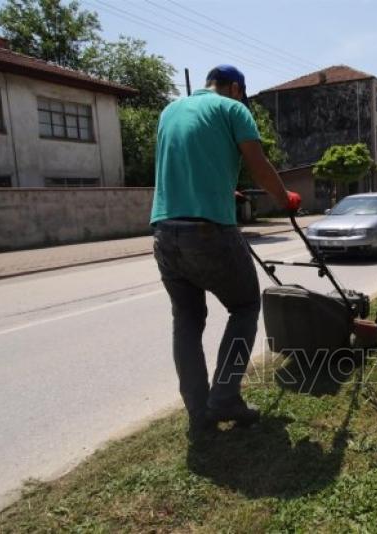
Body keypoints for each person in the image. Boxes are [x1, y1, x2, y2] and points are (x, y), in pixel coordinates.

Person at [150, 65, 300, 437]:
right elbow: (258, 166)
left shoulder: (170, 111)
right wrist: (285, 198)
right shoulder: (233, 109)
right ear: (235, 88)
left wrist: (220, 187)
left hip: (165, 232)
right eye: (240, 93)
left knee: (186, 320)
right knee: (245, 306)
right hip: (208, 233)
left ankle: (198, 413)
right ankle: (226, 398)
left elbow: (181, 165)